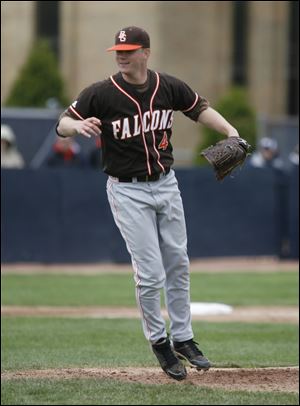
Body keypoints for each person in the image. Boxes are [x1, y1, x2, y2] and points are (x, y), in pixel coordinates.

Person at [56, 26, 242, 381]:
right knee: (150, 272)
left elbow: (199, 108)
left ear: (146, 52)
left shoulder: (167, 86)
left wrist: (231, 132)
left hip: (166, 183)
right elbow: (61, 123)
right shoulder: (101, 93)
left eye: (129, 49)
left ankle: (184, 338)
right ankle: (159, 341)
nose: (122, 55)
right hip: (128, 190)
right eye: (118, 50)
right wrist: (75, 128)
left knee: (178, 263)